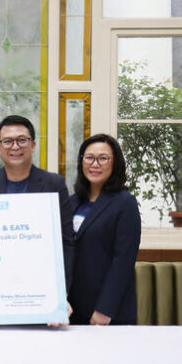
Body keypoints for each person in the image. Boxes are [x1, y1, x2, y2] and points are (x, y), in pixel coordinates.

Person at [0, 114, 74, 324]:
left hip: (41, 291)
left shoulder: (54, 184)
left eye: (22, 140)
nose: (15, 147)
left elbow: (65, 242)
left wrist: (59, 295)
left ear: (33, 144)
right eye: (7, 141)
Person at [68, 133, 141, 325]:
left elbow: (123, 261)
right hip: (72, 308)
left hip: (108, 312)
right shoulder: (72, 202)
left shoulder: (125, 203)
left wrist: (105, 309)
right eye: (89, 158)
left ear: (115, 163)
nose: (95, 164)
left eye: (103, 158)